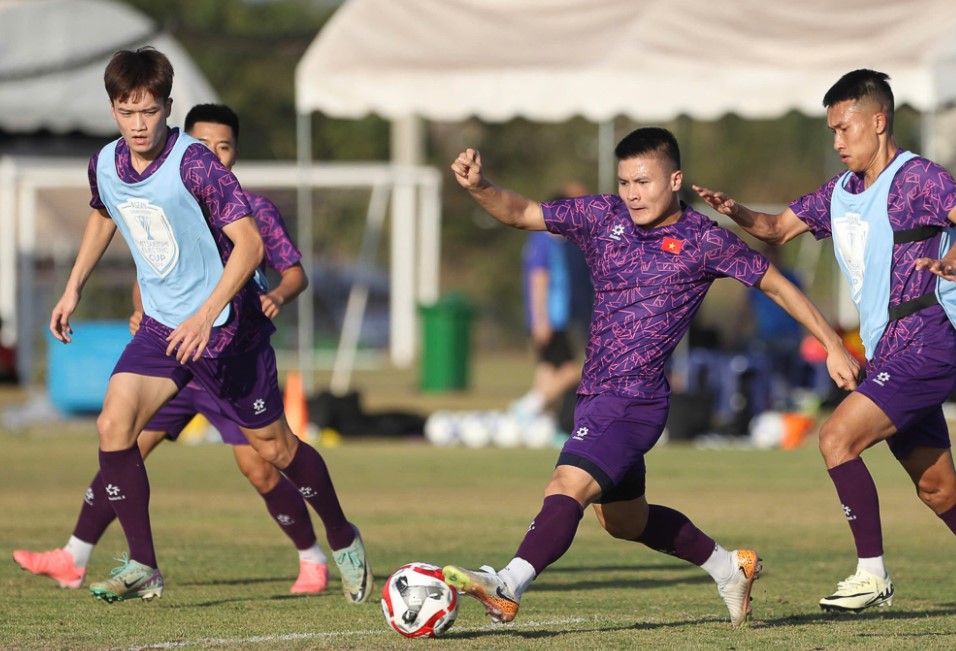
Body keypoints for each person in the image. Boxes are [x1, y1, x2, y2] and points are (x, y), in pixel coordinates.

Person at [442, 127, 859, 628]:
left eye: (643, 182)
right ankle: (729, 567)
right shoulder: (602, 216)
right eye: (625, 183)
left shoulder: (704, 239)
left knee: (566, 483)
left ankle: (509, 583)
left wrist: (834, 344)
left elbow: (777, 287)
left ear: (675, 180)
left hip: (634, 401)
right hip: (594, 394)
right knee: (625, 521)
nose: (632, 194)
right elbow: (523, 212)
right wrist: (480, 187)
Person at [44, 48, 371, 604]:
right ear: (113, 109)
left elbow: (250, 246)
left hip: (227, 332)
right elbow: (104, 213)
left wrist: (205, 314)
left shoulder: (195, 164)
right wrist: (74, 286)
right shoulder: (105, 164)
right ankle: (144, 564)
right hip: (163, 329)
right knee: (113, 425)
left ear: (168, 107)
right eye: (127, 112)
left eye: (149, 111)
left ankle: (342, 535)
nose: (138, 124)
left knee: (275, 450)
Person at [694, 68, 956, 613]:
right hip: (887, 352)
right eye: (831, 130)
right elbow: (776, 229)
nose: (837, 140)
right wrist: (737, 212)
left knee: (836, 437)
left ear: (878, 122)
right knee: (938, 490)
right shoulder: (839, 193)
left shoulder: (918, 179)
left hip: (929, 341)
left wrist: (952, 257)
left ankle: (871, 574)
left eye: (845, 128)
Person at [508, 226, 581, 423]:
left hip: (557, 319)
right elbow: (538, 279)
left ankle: (540, 420)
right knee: (572, 372)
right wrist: (540, 320)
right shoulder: (543, 242)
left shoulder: (559, 243)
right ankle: (526, 408)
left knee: (547, 372)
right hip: (551, 321)